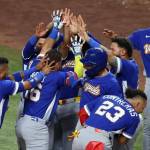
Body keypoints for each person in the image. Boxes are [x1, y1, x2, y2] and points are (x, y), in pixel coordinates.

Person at [15, 49, 78, 150]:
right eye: (60, 63)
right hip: (36, 128)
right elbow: (74, 78)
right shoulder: (58, 76)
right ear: (57, 64)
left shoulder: (33, 71)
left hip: (21, 123)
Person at [72, 88, 147, 150]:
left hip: (80, 136)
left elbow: (83, 112)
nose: (141, 111)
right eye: (142, 108)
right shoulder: (135, 116)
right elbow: (122, 141)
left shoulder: (107, 97)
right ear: (138, 104)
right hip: (99, 142)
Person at [0, 56, 52, 128]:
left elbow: (16, 76)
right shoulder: (4, 85)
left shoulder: (4, 81)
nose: (8, 72)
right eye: (7, 70)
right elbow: (28, 85)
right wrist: (42, 73)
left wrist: (36, 68)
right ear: (2, 71)